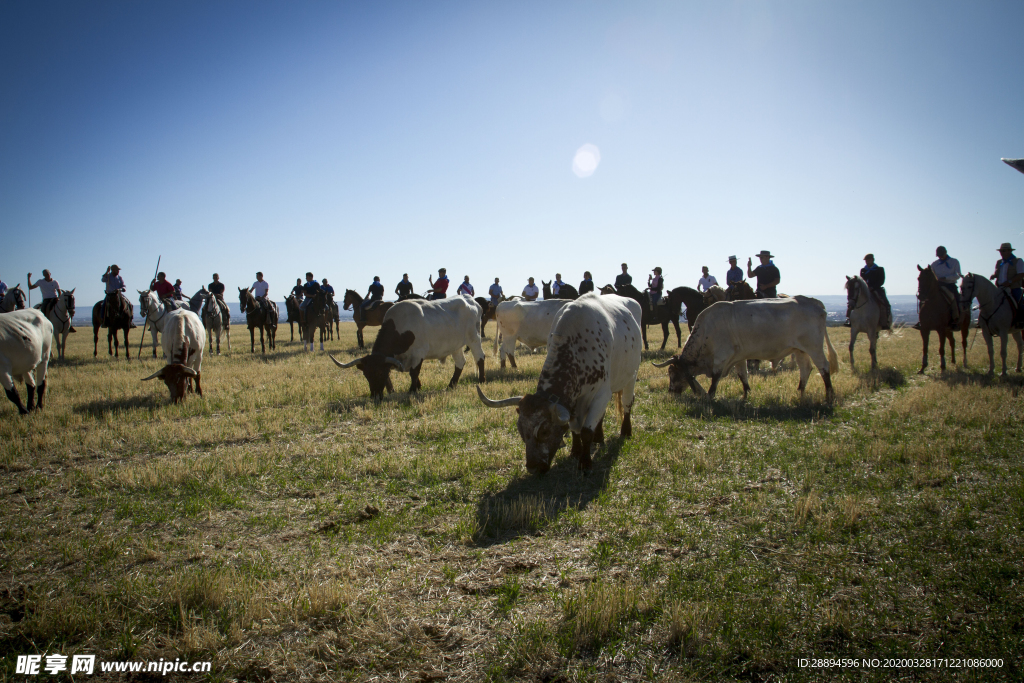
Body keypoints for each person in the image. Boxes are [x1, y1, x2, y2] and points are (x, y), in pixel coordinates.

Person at [851, 254, 892, 330]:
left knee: (885, 303)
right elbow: (861, 281)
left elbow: (881, 281)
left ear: (873, 260)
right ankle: (850, 320)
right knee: (853, 300)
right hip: (865, 290)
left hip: (876, 289)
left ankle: (885, 321)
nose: (867, 262)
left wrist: (872, 287)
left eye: (869, 260)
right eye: (866, 260)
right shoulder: (863, 270)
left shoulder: (879, 269)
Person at [991, 242, 1024, 326]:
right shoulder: (999, 262)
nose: (1001, 253)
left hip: (1013, 287)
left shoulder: (1018, 261)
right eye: (1001, 251)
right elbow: (998, 273)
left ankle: (1021, 320)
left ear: (1009, 251)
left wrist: (1009, 282)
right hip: (1000, 288)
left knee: (1019, 302)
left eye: (1003, 251)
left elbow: (1021, 274)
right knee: (989, 301)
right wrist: (994, 275)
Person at [930, 246, 962, 325]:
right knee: (926, 298)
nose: (940, 257)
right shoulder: (934, 264)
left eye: (942, 255)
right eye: (939, 255)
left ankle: (956, 319)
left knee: (956, 300)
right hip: (938, 286)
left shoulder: (954, 262)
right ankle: (924, 320)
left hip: (950, 285)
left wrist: (946, 278)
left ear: (946, 252)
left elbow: (958, 275)